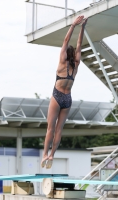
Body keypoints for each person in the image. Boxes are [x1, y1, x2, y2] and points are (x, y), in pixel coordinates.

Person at [41, 16, 88, 169]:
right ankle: (52, 155)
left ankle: (44, 155)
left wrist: (73, 25)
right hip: (68, 98)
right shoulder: (76, 64)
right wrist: (83, 27)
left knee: (51, 128)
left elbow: (65, 41)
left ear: (65, 54)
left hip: (57, 96)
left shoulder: (62, 62)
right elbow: (79, 44)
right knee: (59, 129)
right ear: (73, 54)